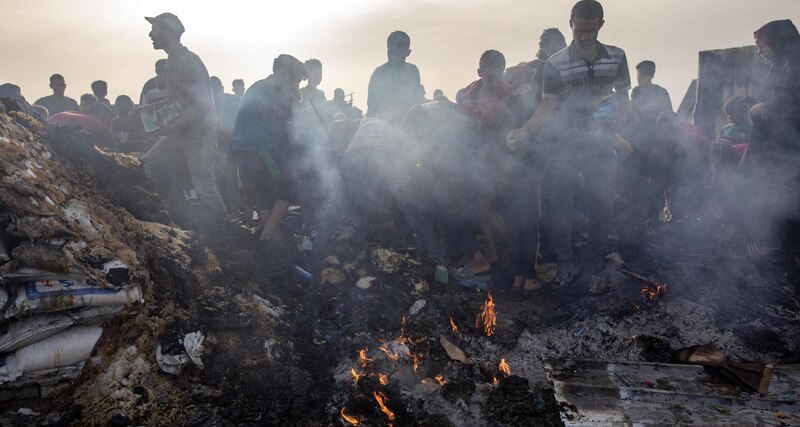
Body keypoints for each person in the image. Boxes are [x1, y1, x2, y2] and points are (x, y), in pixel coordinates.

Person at [508, 0, 631, 285]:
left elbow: (623, 98)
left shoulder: (617, 56)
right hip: (564, 144)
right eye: (579, 30)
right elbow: (547, 105)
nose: (584, 36)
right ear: (571, 24)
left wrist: (616, 126)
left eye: (590, 30)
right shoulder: (556, 63)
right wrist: (524, 131)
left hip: (600, 143)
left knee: (601, 206)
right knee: (559, 206)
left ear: (600, 25)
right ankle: (565, 265)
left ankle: (591, 265)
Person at [140, 12, 225, 221]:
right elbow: (177, 100)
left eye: (155, 29)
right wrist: (143, 108)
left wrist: (174, 127)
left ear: (168, 31)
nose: (150, 34)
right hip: (180, 132)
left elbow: (201, 105)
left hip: (199, 135)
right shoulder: (172, 61)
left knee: (205, 188)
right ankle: (176, 212)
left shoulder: (189, 62)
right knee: (147, 165)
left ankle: (227, 235)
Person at [733, 19, 800, 250]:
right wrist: (756, 103)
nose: (759, 52)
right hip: (773, 149)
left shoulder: (796, 67)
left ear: (778, 43)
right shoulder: (780, 67)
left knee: (787, 199)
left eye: (762, 46)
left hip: (789, 152)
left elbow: (792, 106)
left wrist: (763, 108)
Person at [230, 54, 306, 241]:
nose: (297, 85)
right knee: (290, 188)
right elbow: (284, 126)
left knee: (262, 191)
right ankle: (267, 239)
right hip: (261, 147)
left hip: (240, 148)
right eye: (297, 79)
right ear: (287, 73)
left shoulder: (257, 85)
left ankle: (273, 241)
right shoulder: (280, 87)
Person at [366, 31, 421, 117]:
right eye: (390, 52)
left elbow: (415, 101)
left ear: (408, 52)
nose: (392, 57)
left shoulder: (412, 71)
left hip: (407, 122)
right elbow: (372, 106)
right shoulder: (379, 73)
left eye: (397, 53)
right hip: (381, 122)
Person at [631, 60, 672, 127]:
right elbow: (669, 112)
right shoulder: (662, 91)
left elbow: (633, 112)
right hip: (661, 130)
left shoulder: (637, 91)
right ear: (652, 75)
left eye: (637, 74)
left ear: (640, 75)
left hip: (643, 130)